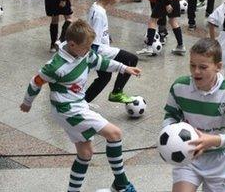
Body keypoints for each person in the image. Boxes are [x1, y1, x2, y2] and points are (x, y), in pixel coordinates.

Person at [20, 20, 140, 192]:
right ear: (72, 44)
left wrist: (124, 68)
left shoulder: (84, 54)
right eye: (86, 46)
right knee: (114, 134)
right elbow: (36, 82)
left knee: (85, 153)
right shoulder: (55, 66)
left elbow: (102, 62)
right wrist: (27, 102)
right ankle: (122, 184)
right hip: (67, 110)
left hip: (77, 106)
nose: (89, 50)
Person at [163, 38, 225, 192]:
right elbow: (170, 115)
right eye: (192, 65)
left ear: (218, 67)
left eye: (203, 67)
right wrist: (170, 133)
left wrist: (214, 140)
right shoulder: (179, 87)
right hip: (188, 156)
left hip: (220, 161)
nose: (196, 71)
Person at [84, 0, 139, 104]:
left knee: (104, 77)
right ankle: (117, 92)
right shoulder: (99, 13)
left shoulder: (96, 7)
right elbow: (95, 43)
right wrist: (94, 61)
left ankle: (83, 102)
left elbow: (94, 30)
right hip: (101, 51)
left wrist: (106, 35)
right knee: (131, 59)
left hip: (100, 47)